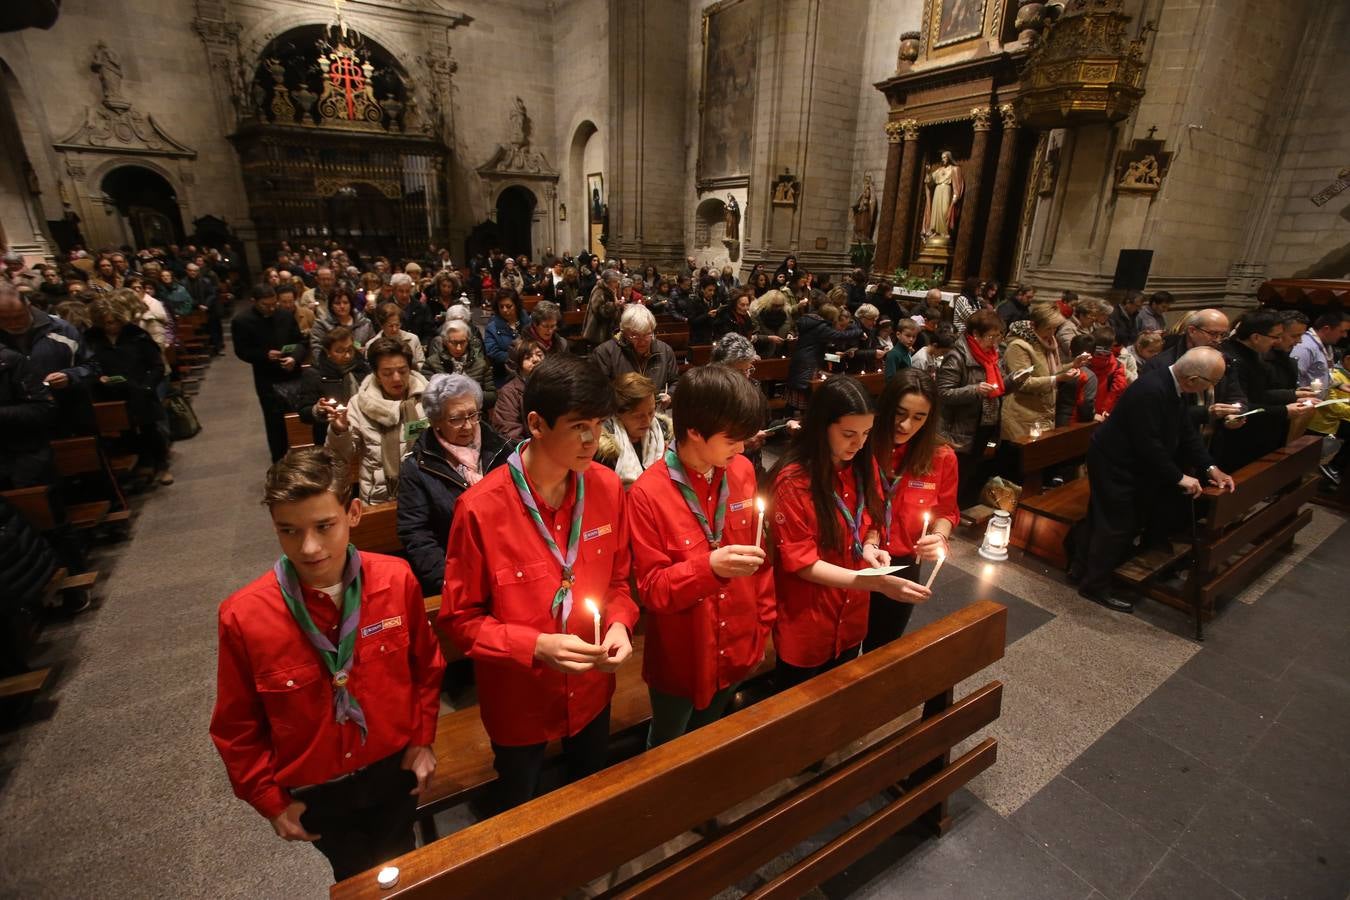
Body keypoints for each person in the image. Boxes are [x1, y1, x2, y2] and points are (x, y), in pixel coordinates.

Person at [209, 448, 445, 882]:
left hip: (392, 767)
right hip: (320, 789)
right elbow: (236, 726)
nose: (310, 547)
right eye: (289, 531)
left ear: (353, 512)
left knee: (401, 864)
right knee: (354, 878)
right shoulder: (243, 616)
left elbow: (425, 669)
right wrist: (269, 799)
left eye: (324, 526)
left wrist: (422, 738)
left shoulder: (396, 580)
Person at [440, 355, 638, 812]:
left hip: (591, 687)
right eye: (578, 426)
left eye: (599, 424)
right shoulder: (481, 509)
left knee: (588, 797)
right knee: (520, 805)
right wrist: (535, 646)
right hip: (520, 702)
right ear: (537, 424)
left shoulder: (606, 489)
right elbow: (461, 620)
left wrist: (620, 627)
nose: (594, 439)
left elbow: (620, 583)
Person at [627, 366, 774, 747]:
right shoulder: (648, 494)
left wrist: (761, 626)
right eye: (732, 439)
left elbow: (760, 558)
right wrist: (709, 567)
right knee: (668, 745)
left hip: (740, 643)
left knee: (708, 736)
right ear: (694, 431)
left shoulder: (740, 471)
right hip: (684, 654)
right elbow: (652, 590)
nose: (741, 449)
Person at [769, 375, 930, 690]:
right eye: (848, 434)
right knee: (796, 710)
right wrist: (875, 582)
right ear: (822, 426)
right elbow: (802, 563)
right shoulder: (794, 481)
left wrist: (870, 546)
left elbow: (870, 517)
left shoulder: (860, 463)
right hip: (809, 619)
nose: (858, 444)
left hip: (852, 613)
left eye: (866, 433)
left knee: (836, 696)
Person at [1070, 348, 1236, 612]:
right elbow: (1147, 444)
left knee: (1108, 519)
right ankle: (1094, 585)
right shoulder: (1151, 390)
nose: (1213, 388)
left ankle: (1081, 569)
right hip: (1116, 463)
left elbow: (1185, 432)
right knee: (1117, 524)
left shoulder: (1173, 387)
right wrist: (1179, 476)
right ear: (1193, 380)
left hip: (1131, 462)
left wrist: (1210, 467)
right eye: (1212, 382)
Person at [397, 373, 511, 596]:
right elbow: (416, 533)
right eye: (456, 419)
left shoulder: (502, 449)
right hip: (459, 577)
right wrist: (449, 583)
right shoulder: (417, 467)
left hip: (509, 566)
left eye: (473, 414)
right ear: (435, 421)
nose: (468, 426)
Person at [867, 370, 955, 649]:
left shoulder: (941, 456)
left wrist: (939, 537)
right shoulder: (863, 443)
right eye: (900, 413)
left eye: (919, 417)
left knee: (882, 647)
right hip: (857, 558)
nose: (906, 425)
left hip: (903, 563)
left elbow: (947, 511)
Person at [326, 337, 429, 504]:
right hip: (378, 497)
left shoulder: (429, 398)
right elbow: (340, 457)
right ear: (377, 375)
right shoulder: (359, 404)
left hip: (424, 492)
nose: (396, 378)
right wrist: (340, 431)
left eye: (402, 371)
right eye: (387, 373)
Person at [1212, 311, 1316, 473]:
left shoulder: (1254, 355)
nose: (1277, 342)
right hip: (1233, 438)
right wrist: (1284, 411)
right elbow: (1241, 403)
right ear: (1255, 337)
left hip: (1252, 432)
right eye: (1275, 337)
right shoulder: (1232, 359)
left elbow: (1260, 393)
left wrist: (1292, 395)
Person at [86, 297, 172, 486]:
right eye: (105, 323)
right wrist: (98, 377)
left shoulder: (136, 335)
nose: (110, 326)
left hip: (140, 390)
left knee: (151, 430)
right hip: (111, 394)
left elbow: (156, 365)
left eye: (113, 321)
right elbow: (88, 364)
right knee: (127, 433)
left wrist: (147, 386)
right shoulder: (92, 338)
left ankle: (162, 465)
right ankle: (143, 465)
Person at [937, 309, 1010, 509]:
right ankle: (946, 515)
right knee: (955, 478)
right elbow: (943, 393)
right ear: (975, 335)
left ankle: (960, 512)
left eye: (998, 336)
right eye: (991, 336)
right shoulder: (957, 357)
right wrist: (975, 389)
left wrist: (1014, 381)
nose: (995, 342)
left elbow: (999, 388)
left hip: (984, 427)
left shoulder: (993, 356)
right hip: (959, 430)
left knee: (973, 475)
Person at [234, 285, 307, 462]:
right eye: (266, 305)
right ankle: (279, 461)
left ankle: (303, 458)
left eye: (274, 303)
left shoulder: (285, 315)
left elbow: (300, 342)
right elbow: (242, 351)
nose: (272, 308)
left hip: (292, 372)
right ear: (254, 302)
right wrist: (264, 355)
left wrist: (294, 359)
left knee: (299, 418)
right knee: (275, 423)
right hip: (267, 378)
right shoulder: (242, 321)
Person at [1002, 307, 1088, 441]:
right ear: (1034, 325)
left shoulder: (1048, 344)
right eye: (1048, 328)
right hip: (1022, 416)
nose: (1052, 333)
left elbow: (1051, 372)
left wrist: (1073, 364)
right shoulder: (1019, 346)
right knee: (1022, 458)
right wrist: (1057, 379)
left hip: (1042, 414)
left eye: (1055, 328)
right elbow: (1022, 382)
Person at [591, 304, 679, 403]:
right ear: (623, 332)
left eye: (647, 334)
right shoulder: (604, 353)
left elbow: (675, 382)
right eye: (635, 336)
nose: (642, 342)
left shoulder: (665, 350)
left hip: (656, 412)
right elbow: (599, 392)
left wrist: (670, 395)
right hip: (620, 415)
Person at [595, 373, 672, 487]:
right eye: (638, 416)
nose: (647, 421)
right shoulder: (603, 451)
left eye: (651, 412)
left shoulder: (665, 434)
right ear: (618, 413)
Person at [423, 318, 495, 407]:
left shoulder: (481, 364)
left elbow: (492, 397)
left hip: (475, 413)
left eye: (462, 342)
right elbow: (427, 396)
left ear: (468, 341)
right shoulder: (432, 363)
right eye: (453, 343)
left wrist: (468, 393)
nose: (458, 348)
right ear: (445, 342)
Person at [1291, 312, 1347, 399]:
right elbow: (1294, 379)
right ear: (1326, 329)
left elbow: (1319, 375)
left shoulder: (1326, 345)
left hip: (1314, 405)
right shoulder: (1305, 347)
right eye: (1342, 331)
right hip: (1301, 404)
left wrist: (1338, 384)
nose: (1344, 335)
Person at [309, 286, 375, 360]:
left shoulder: (365, 323)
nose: (342, 306)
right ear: (331, 306)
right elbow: (317, 351)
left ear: (351, 304)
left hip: (361, 364)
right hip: (332, 367)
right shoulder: (321, 324)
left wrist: (365, 352)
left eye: (345, 302)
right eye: (337, 303)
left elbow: (373, 347)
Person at [484, 289, 530, 386]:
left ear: (516, 305)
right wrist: (517, 358)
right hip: (504, 374)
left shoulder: (526, 321)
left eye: (509, 306)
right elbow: (493, 352)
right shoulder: (492, 326)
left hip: (530, 369)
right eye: (501, 307)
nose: (505, 310)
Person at [372, 301, 424, 370]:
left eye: (397, 325)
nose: (395, 329)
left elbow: (422, 364)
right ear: (382, 326)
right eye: (390, 326)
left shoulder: (413, 339)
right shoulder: (372, 345)